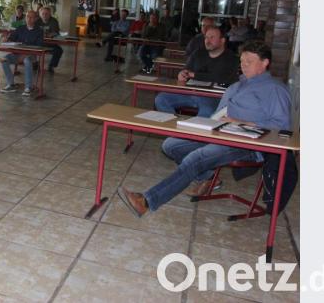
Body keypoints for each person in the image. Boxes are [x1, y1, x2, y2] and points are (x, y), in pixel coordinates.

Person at [118, 41, 291, 216]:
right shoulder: (237, 85)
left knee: (196, 158)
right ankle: (207, 177)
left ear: (265, 63)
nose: (243, 66)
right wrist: (204, 124)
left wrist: (239, 123)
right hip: (220, 132)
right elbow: (218, 114)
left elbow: (282, 128)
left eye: (249, 61)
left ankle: (147, 201)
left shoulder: (275, 90)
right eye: (242, 61)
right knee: (170, 145)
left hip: (246, 144)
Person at [155, 26, 239, 116]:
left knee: (207, 110)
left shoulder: (231, 58)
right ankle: (174, 126)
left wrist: (194, 75)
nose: (207, 40)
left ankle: (192, 129)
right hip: (191, 92)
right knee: (161, 98)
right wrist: (182, 74)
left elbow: (220, 77)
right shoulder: (198, 53)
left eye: (212, 37)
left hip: (214, 97)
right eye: (206, 37)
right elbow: (187, 70)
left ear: (222, 40)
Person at [0, 10, 43, 96]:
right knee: (4, 59)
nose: (29, 19)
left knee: (27, 60)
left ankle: (28, 87)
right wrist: (6, 38)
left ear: (35, 19)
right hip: (17, 54)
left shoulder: (39, 31)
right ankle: (11, 84)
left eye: (31, 17)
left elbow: (39, 46)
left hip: (31, 55)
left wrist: (25, 54)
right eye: (27, 17)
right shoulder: (20, 28)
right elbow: (11, 39)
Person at [36, 6, 63, 73]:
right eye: (43, 13)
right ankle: (35, 63)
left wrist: (47, 34)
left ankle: (51, 65)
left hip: (50, 43)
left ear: (50, 14)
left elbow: (55, 32)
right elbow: (34, 31)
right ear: (40, 14)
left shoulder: (54, 21)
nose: (45, 15)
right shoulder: (37, 21)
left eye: (46, 14)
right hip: (38, 42)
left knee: (59, 50)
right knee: (30, 46)